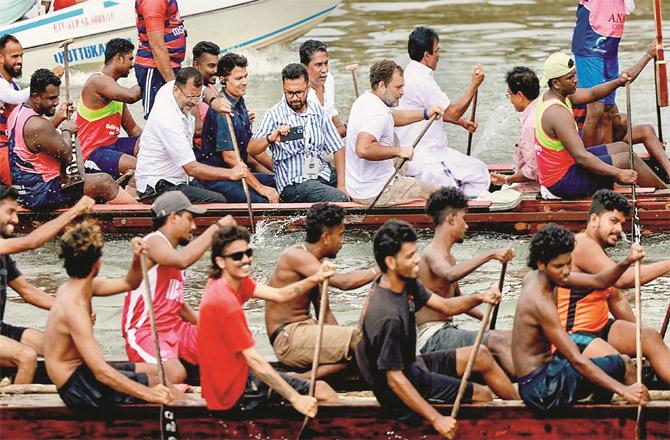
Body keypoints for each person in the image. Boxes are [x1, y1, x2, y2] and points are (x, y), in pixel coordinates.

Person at [357, 220, 517, 439]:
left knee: (480, 354)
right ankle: (514, 428)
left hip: (413, 365)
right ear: (390, 262)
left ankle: (522, 409)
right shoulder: (386, 315)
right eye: (410, 256)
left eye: (416, 252)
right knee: (483, 394)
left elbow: (445, 305)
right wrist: (436, 418)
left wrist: (480, 297)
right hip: (400, 388)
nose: (417, 260)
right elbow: (395, 379)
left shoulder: (404, 281)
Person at [199, 224, 338, 414]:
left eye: (248, 253)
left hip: (231, 377)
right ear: (220, 262)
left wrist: (317, 277)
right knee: (322, 390)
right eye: (237, 256)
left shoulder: (229, 281)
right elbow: (255, 360)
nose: (246, 260)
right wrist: (295, 398)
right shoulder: (225, 302)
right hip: (233, 390)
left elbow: (280, 294)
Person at [512, 224, 649, 412]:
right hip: (542, 389)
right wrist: (625, 391)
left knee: (609, 367)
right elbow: (577, 359)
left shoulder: (543, 277)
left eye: (569, 263)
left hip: (545, 372)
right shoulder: (540, 302)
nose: (566, 271)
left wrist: (626, 261)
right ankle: (642, 422)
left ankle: (602, 419)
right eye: (559, 266)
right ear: (541, 264)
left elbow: (598, 281)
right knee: (623, 364)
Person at [44, 220, 172, 409]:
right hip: (78, 387)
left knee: (158, 372)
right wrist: (150, 394)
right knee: (159, 385)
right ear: (96, 263)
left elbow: (129, 283)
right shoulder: (74, 308)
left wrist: (137, 258)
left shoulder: (79, 287)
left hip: (83, 373)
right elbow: (101, 372)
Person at [558, 189, 670, 384]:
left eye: (622, 223)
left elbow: (617, 299)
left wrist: (640, 345)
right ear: (594, 220)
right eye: (613, 221)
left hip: (599, 329)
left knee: (650, 338)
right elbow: (624, 280)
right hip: (571, 337)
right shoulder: (581, 244)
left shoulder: (600, 254)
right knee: (623, 366)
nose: (620, 229)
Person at [122, 191, 235, 384]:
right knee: (175, 374)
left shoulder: (170, 250)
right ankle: (107, 377)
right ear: (173, 217)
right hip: (146, 331)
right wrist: (216, 229)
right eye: (189, 219)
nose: (193, 226)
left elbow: (179, 306)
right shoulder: (153, 241)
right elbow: (182, 261)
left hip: (175, 328)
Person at [535, 52, 668, 199]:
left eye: (575, 75)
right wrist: (618, 173)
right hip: (562, 182)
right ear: (556, 83)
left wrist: (618, 81)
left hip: (567, 166)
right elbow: (581, 157)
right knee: (627, 160)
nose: (576, 80)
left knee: (623, 147)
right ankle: (665, 193)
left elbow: (592, 93)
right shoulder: (557, 113)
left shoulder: (557, 95)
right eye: (570, 78)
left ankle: (658, 186)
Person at [265, 203, 377, 378]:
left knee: (361, 347)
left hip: (306, 330)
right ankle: (298, 380)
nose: (343, 240)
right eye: (340, 235)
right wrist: (381, 268)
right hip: (288, 338)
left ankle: (302, 378)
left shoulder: (317, 262)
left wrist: (343, 338)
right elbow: (343, 282)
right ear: (325, 238)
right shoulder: (296, 256)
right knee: (360, 341)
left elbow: (324, 314)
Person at [416, 187, 516, 376]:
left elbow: (459, 299)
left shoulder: (449, 257)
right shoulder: (432, 253)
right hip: (432, 338)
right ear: (452, 219)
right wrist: (491, 254)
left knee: (510, 336)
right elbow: (451, 275)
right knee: (499, 341)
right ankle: (527, 389)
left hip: (446, 331)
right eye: (464, 219)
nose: (467, 226)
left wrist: (483, 320)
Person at [0, 186, 93, 384]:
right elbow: (31, 242)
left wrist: (71, 308)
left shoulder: (3, 252)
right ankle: (18, 414)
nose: (16, 220)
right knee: (26, 357)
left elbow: (28, 292)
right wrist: (75, 210)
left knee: (65, 348)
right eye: (10, 212)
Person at [8, 69, 135, 210]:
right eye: (51, 98)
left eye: (57, 96)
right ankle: (140, 212)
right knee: (104, 181)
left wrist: (59, 117)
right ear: (36, 97)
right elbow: (68, 155)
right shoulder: (37, 125)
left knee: (97, 173)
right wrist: (67, 130)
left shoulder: (18, 112)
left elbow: (39, 139)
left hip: (26, 189)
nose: (56, 102)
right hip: (39, 193)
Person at [396, 27, 490, 197]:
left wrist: (462, 122)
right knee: (452, 192)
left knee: (479, 172)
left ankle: (470, 206)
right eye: (437, 51)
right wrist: (474, 85)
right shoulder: (421, 80)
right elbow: (452, 113)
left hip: (435, 150)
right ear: (427, 55)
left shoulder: (412, 71)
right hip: (422, 157)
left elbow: (439, 112)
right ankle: (464, 212)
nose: (439, 55)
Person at [134, 67, 245, 204]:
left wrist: (214, 101)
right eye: (190, 97)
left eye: (197, 97)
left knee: (219, 190)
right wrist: (231, 173)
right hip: (158, 187)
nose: (194, 101)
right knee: (218, 200)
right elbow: (192, 169)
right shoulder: (167, 119)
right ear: (176, 90)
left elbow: (203, 90)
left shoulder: (172, 88)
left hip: (180, 178)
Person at [345, 59, 443, 207]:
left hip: (358, 187)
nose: (402, 92)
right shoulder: (377, 113)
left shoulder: (365, 99)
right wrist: (399, 151)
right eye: (398, 87)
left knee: (394, 138)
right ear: (382, 85)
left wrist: (426, 113)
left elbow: (391, 118)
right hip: (376, 193)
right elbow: (363, 149)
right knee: (435, 192)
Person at [248, 63, 348, 203]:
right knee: (339, 198)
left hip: (319, 172)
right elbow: (251, 149)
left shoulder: (317, 111)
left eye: (299, 92)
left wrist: (342, 185)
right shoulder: (274, 115)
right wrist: (270, 138)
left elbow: (337, 147)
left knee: (356, 180)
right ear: (283, 89)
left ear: (307, 87)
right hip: (294, 183)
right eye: (289, 93)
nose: (294, 98)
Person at [192, 44, 278, 203]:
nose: (244, 82)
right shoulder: (222, 110)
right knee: (263, 200)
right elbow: (231, 158)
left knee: (281, 184)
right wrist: (260, 187)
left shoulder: (239, 101)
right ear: (223, 79)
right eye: (239, 78)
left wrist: (270, 139)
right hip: (217, 179)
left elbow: (249, 147)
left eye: (246, 76)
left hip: (237, 174)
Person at [76, 38, 142, 179]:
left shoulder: (116, 91)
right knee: (138, 166)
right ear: (118, 58)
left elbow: (133, 129)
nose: (133, 65)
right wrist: (151, 75)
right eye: (130, 59)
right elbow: (132, 96)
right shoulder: (97, 81)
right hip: (92, 153)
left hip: (112, 146)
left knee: (147, 145)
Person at [571, 0, 633, 147]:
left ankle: (607, 157)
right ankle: (586, 162)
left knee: (607, 110)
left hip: (611, 47)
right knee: (596, 110)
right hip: (589, 46)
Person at [489, 67, 540, 193]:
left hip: (537, 186)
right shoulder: (541, 108)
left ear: (520, 96)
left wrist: (508, 179)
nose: (510, 100)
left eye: (509, 95)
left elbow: (533, 171)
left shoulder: (530, 124)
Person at [134, 0, 186, 119]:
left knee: (177, 117)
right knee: (158, 121)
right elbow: (156, 46)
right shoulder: (153, 2)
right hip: (155, 68)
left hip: (170, 65)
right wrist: (173, 85)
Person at [299, 39, 346, 137]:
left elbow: (331, 111)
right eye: (318, 65)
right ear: (304, 68)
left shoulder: (329, 79)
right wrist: (338, 133)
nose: (325, 70)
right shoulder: (297, 94)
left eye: (326, 63)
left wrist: (342, 127)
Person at [0, 34, 29, 186]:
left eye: (21, 56)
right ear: (0, 58)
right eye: (14, 56)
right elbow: (16, 98)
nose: (20, 61)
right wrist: (42, 83)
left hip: (12, 145)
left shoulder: (14, 85)